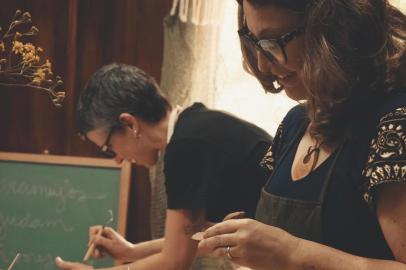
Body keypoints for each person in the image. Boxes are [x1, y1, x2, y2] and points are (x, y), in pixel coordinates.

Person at [199, 0, 406, 269]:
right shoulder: (296, 122)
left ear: (335, 31)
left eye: (273, 41)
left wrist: (292, 252)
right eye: (255, 42)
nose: (262, 64)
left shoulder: (394, 124)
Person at [55, 63, 272, 270]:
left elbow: (175, 262)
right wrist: (131, 251)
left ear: (129, 124)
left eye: (109, 147)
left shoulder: (185, 147)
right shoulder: (194, 125)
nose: (117, 159)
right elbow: (197, 240)